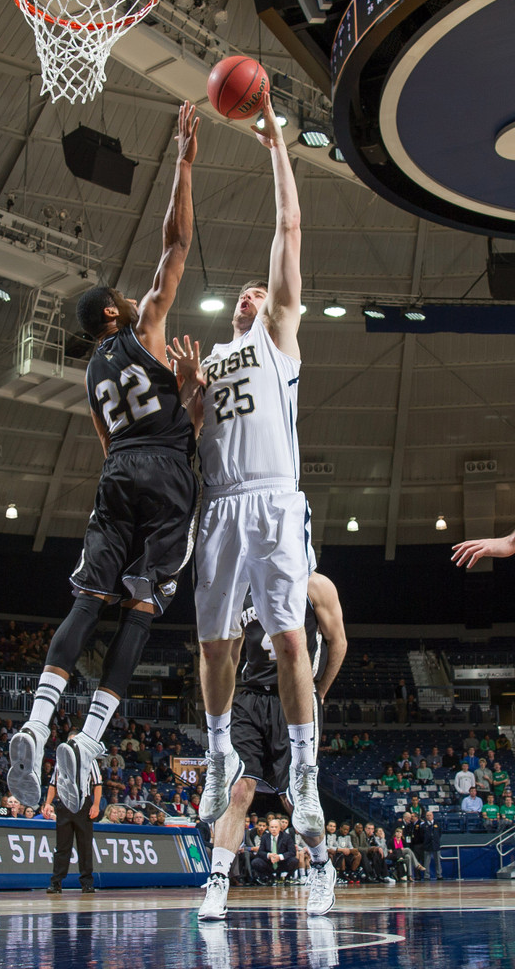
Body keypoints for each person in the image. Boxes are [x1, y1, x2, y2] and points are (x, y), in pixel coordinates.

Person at [7, 101, 200, 812]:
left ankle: (34, 721)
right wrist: (182, 163)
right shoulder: (146, 327)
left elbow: (108, 444)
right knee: (142, 611)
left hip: (115, 472)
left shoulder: (91, 376)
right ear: (114, 314)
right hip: (164, 474)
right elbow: (176, 245)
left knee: (86, 601)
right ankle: (87, 741)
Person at [170, 93, 320, 850]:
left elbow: (288, 229)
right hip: (219, 504)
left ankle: (303, 773)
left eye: (263, 292)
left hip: (271, 502)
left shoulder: (277, 343)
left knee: (291, 642)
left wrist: (274, 146)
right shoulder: (218, 359)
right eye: (248, 292)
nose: (254, 292)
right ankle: (220, 748)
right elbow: (196, 435)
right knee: (213, 646)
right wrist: (189, 397)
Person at [197, 570, 346, 920]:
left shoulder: (316, 584)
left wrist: (319, 692)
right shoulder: (242, 584)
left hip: (293, 698)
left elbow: (337, 641)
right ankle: (218, 879)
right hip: (249, 698)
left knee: (293, 795)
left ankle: (322, 866)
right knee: (236, 788)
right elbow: (230, 648)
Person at [44, 736, 102, 894]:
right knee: (62, 846)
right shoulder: (60, 762)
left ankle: (87, 882)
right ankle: (56, 882)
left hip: (84, 805)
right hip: (64, 804)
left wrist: (96, 805)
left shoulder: (90, 760)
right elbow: (53, 784)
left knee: (85, 846)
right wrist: (48, 803)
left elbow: (97, 784)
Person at [250, 818, 298, 884]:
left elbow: (292, 852)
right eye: (272, 827)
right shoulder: (265, 837)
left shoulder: (287, 837)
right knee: (256, 862)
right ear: (269, 828)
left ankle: (287, 878)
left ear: (279, 828)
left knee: (294, 860)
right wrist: (269, 855)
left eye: (276, 827)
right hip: (269, 863)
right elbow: (260, 852)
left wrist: (280, 857)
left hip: (282, 862)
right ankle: (270, 877)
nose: (274, 829)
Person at [421, 810, 443, 880]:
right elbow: (421, 835)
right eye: (427, 815)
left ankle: (439, 875)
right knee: (427, 861)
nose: (429, 817)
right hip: (427, 845)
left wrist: (436, 840)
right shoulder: (423, 825)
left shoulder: (437, 824)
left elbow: (439, 833)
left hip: (435, 845)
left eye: (430, 815)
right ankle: (426, 876)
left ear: (432, 816)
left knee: (438, 861)